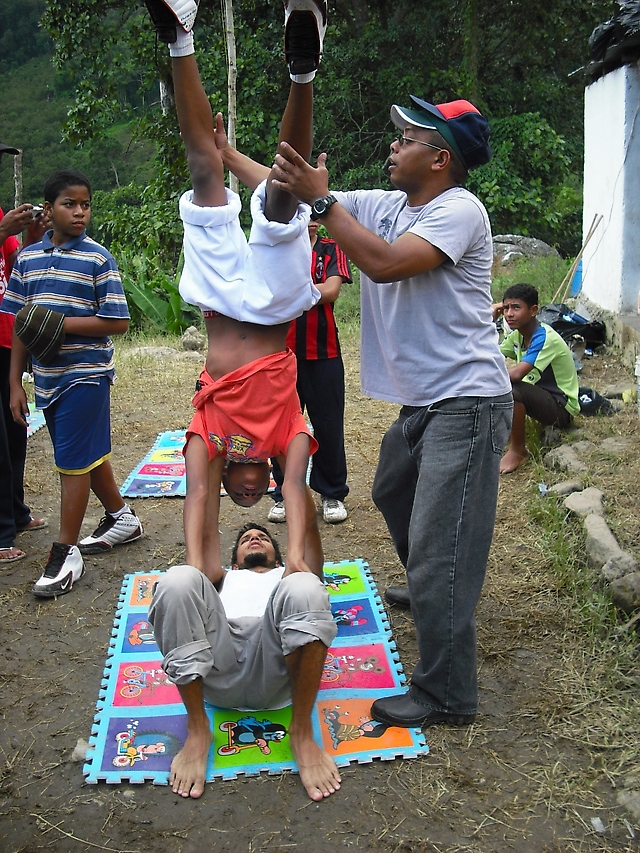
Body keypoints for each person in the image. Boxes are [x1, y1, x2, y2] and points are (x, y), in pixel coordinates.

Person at [271, 96, 514, 728]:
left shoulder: (459, 210)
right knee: (389, 488)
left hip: (467, 400)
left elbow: (383, 263)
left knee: (440, 549)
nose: (392, 146)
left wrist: (323, 203)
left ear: (439, 156)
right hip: (426, 401)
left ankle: (446, 692)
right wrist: (226, 159)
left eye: (406, 138)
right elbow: (296, 186)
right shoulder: (387, 205)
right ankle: (438, 587)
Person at [141, 0, 330, 581]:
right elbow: (297, 500)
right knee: (282, 195)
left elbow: (197, 505)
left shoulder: (207, 440)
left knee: (204, 170)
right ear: (265, 478)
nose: (249, 499)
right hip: (272, 307)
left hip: (219, 298)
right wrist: (296, 563)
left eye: (239, 501)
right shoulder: (289, 436)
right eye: (257, 500)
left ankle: (181, 34)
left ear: (227, 476)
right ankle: (304, 67)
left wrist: (203, 573)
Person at [2, 169, 143, 598]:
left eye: (86, 204)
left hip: (87, 374)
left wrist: (60, 324)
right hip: (46, 377)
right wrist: (14, 383)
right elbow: (22, 325)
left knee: (71, 461)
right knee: (84, 453)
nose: (80, 212)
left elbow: (118, 320)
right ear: (48, 210)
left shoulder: (98, 258)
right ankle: (122, 517)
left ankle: (66, 551)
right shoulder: (27, 259)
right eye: (70, 204)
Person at [148, 518, 340, 802]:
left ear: (280, 560)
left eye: (262, 536)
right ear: (234, 564)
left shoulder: (288, 573)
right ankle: (198, 728)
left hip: (279, 669)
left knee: (306, 585)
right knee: (177, 580)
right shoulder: (223, 577)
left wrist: (296, 480)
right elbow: (204, 519)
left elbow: (309, 528)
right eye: (245, 538)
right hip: (217, 663)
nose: (254, 538)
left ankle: (301, 730)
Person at [268, 221, 352, 525]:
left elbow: (331, 291)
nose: (311, 216)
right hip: (280, 354)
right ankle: (283, 493)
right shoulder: (278, 247)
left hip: (325, 351)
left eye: (315, 207)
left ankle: (331, 493)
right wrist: (300, 294)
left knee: (328, 424)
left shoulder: (331, 248)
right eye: (302, 208)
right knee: (282, 426)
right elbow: (269, 290)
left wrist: (292, 294)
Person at [0, 140, 48, 565]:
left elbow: (19, 266)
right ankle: (1, 534)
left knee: (15, 431)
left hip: (5, 337)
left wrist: (32, 233)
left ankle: (16, 512)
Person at [493, 283, 580, 474]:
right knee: (497, 383)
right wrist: (490, 321)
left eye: (516, 307)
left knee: (512, 389)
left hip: (561, 407)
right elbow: (490, 355)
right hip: (542, 398)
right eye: (505, 308)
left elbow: (516, 375)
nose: (509, 314)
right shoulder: (517, 335)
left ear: (533, 310)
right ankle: (507, 434)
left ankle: (518, 450)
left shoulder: (544, 337)